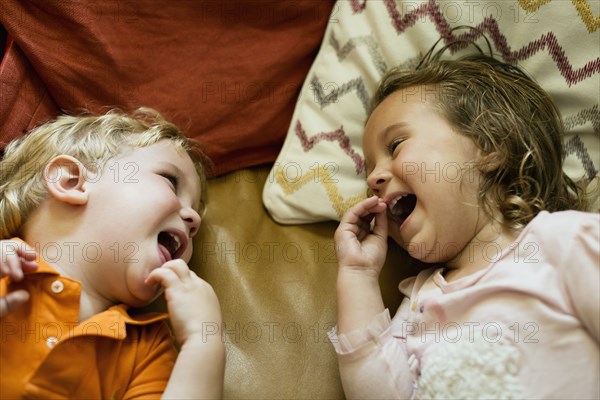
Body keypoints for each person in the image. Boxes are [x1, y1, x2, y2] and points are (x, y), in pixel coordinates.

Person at [329, 53, 599, 399]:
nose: (374, 177)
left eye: (395, 146)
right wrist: (357, 275)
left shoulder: (562, 242)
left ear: (489, 145)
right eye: (369, 169)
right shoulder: (418, 300)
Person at [0, 108, 225, 398]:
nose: (193, 219)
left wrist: (203, 343)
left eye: (195, 218)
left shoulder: (147, 350)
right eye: (170, 181)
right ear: (71, 182)